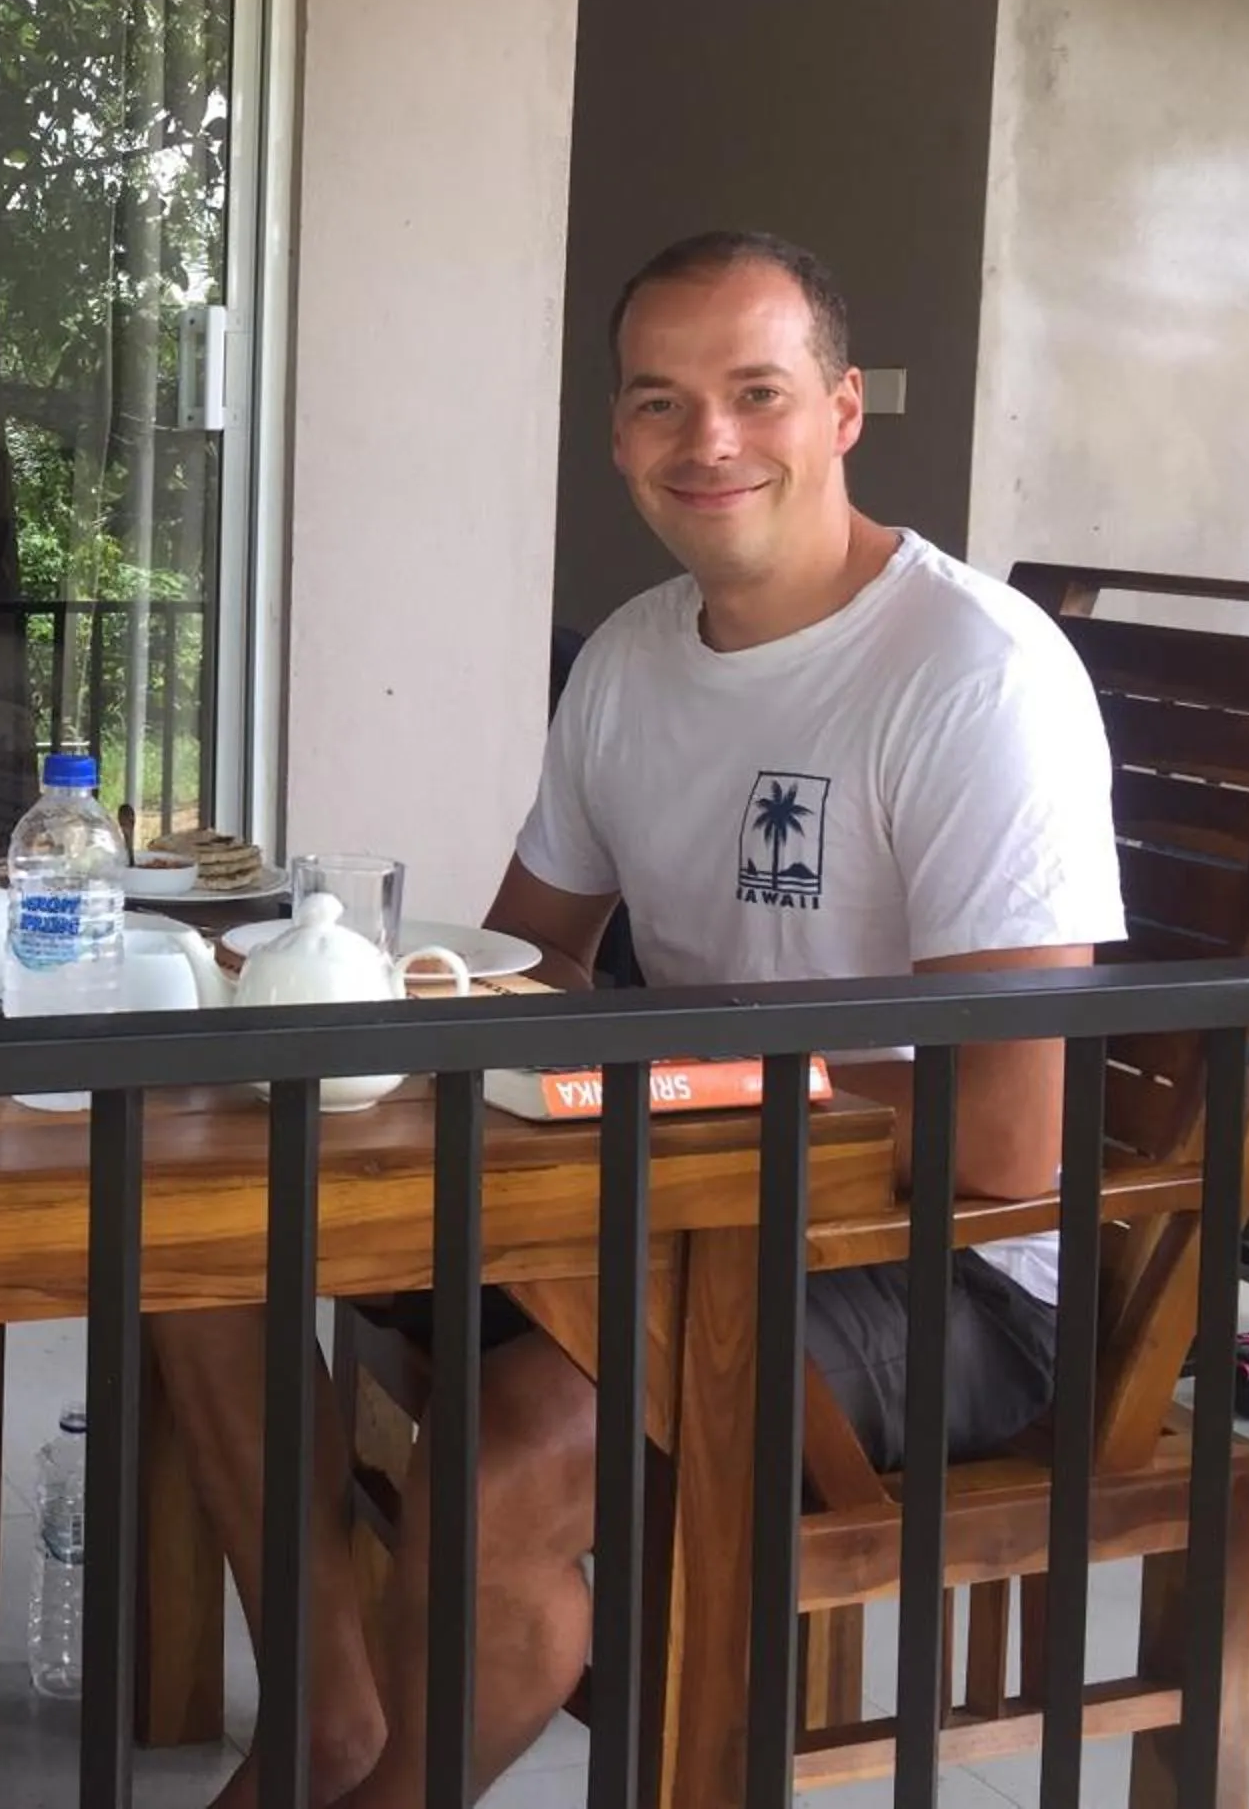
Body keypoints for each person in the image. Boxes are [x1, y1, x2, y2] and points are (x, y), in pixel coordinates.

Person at [148, 231, 1125, 1808]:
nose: (710, 441)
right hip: (655, 1201)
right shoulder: (629, 657)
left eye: (757, 391)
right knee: (200, 1256)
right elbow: (522, 962)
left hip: (938, 1264)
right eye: (662, 404)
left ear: (846, 407)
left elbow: (1007, 1134)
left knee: (515, 1451)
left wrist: (673, 1080)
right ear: (618, 437)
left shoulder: (970, 675)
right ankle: (324, 1720)